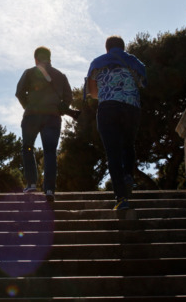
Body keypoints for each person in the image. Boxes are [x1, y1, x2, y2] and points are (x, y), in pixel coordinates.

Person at [85, 35, 147, 211]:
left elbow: (93, 92)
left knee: (112, 152)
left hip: (108, 108)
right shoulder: (134, 62)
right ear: (123, 47)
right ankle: (128, 175)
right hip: (131, 108)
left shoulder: (98, 62)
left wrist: (107, 89)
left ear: (107, 48)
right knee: (128, 145)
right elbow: (142, 83)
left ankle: (121, 198)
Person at [15, 46, 73, 202]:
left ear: (36, 59)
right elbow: (69, 96)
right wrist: (60, 109)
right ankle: (49, 189)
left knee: (27, 147)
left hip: (32, 116)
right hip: (52, 117)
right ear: (50, 58)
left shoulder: (29, 72)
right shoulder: (61, 75)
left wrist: (28, 106)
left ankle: (32, 183)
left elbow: (19, 92)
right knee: (50, 151)